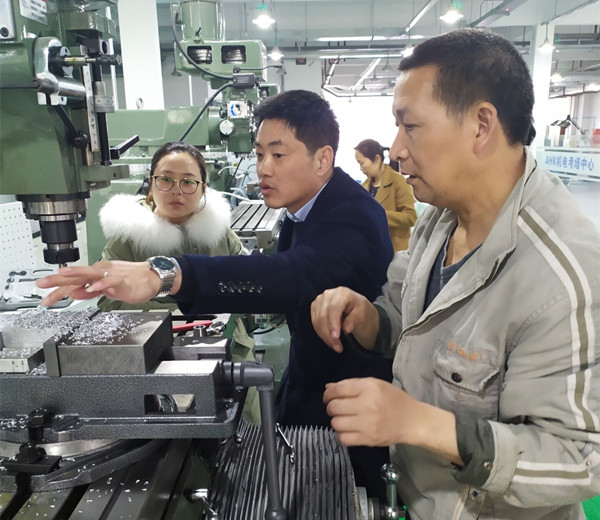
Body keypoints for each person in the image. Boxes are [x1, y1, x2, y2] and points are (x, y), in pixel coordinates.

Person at [37, 89, 395, 500]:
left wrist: (169, 275)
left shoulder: (352, 216)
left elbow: (292, 276)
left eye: (278, 155)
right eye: (259, 154)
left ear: (322, 159)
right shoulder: (305, 209)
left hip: (351, 414)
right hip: (310, 387)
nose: (263, 168)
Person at [310, 28, 600, 519]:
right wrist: (368, 317)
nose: (396, 149)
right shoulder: (440, 220)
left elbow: (577, 458)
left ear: (481, 125)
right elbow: (408, 316)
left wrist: (419, 424)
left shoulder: (562, 275)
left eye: (411, 126)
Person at [97, 141, 244, 311]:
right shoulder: (128, 237)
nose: (176, 190)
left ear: (203, 190)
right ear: (151, 185)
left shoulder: (219, 233)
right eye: (166, 179)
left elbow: (247, 286)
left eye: (188, 181)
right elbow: (109, 302)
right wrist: (175, 313)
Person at [355, 138, 417, 252]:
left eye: (362, 163)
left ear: (377, 159)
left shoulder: (398, 181)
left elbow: (411, 217)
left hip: (394, 252)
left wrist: (378, 215)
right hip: (371, 251)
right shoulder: (364, 186)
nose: (360, 168)